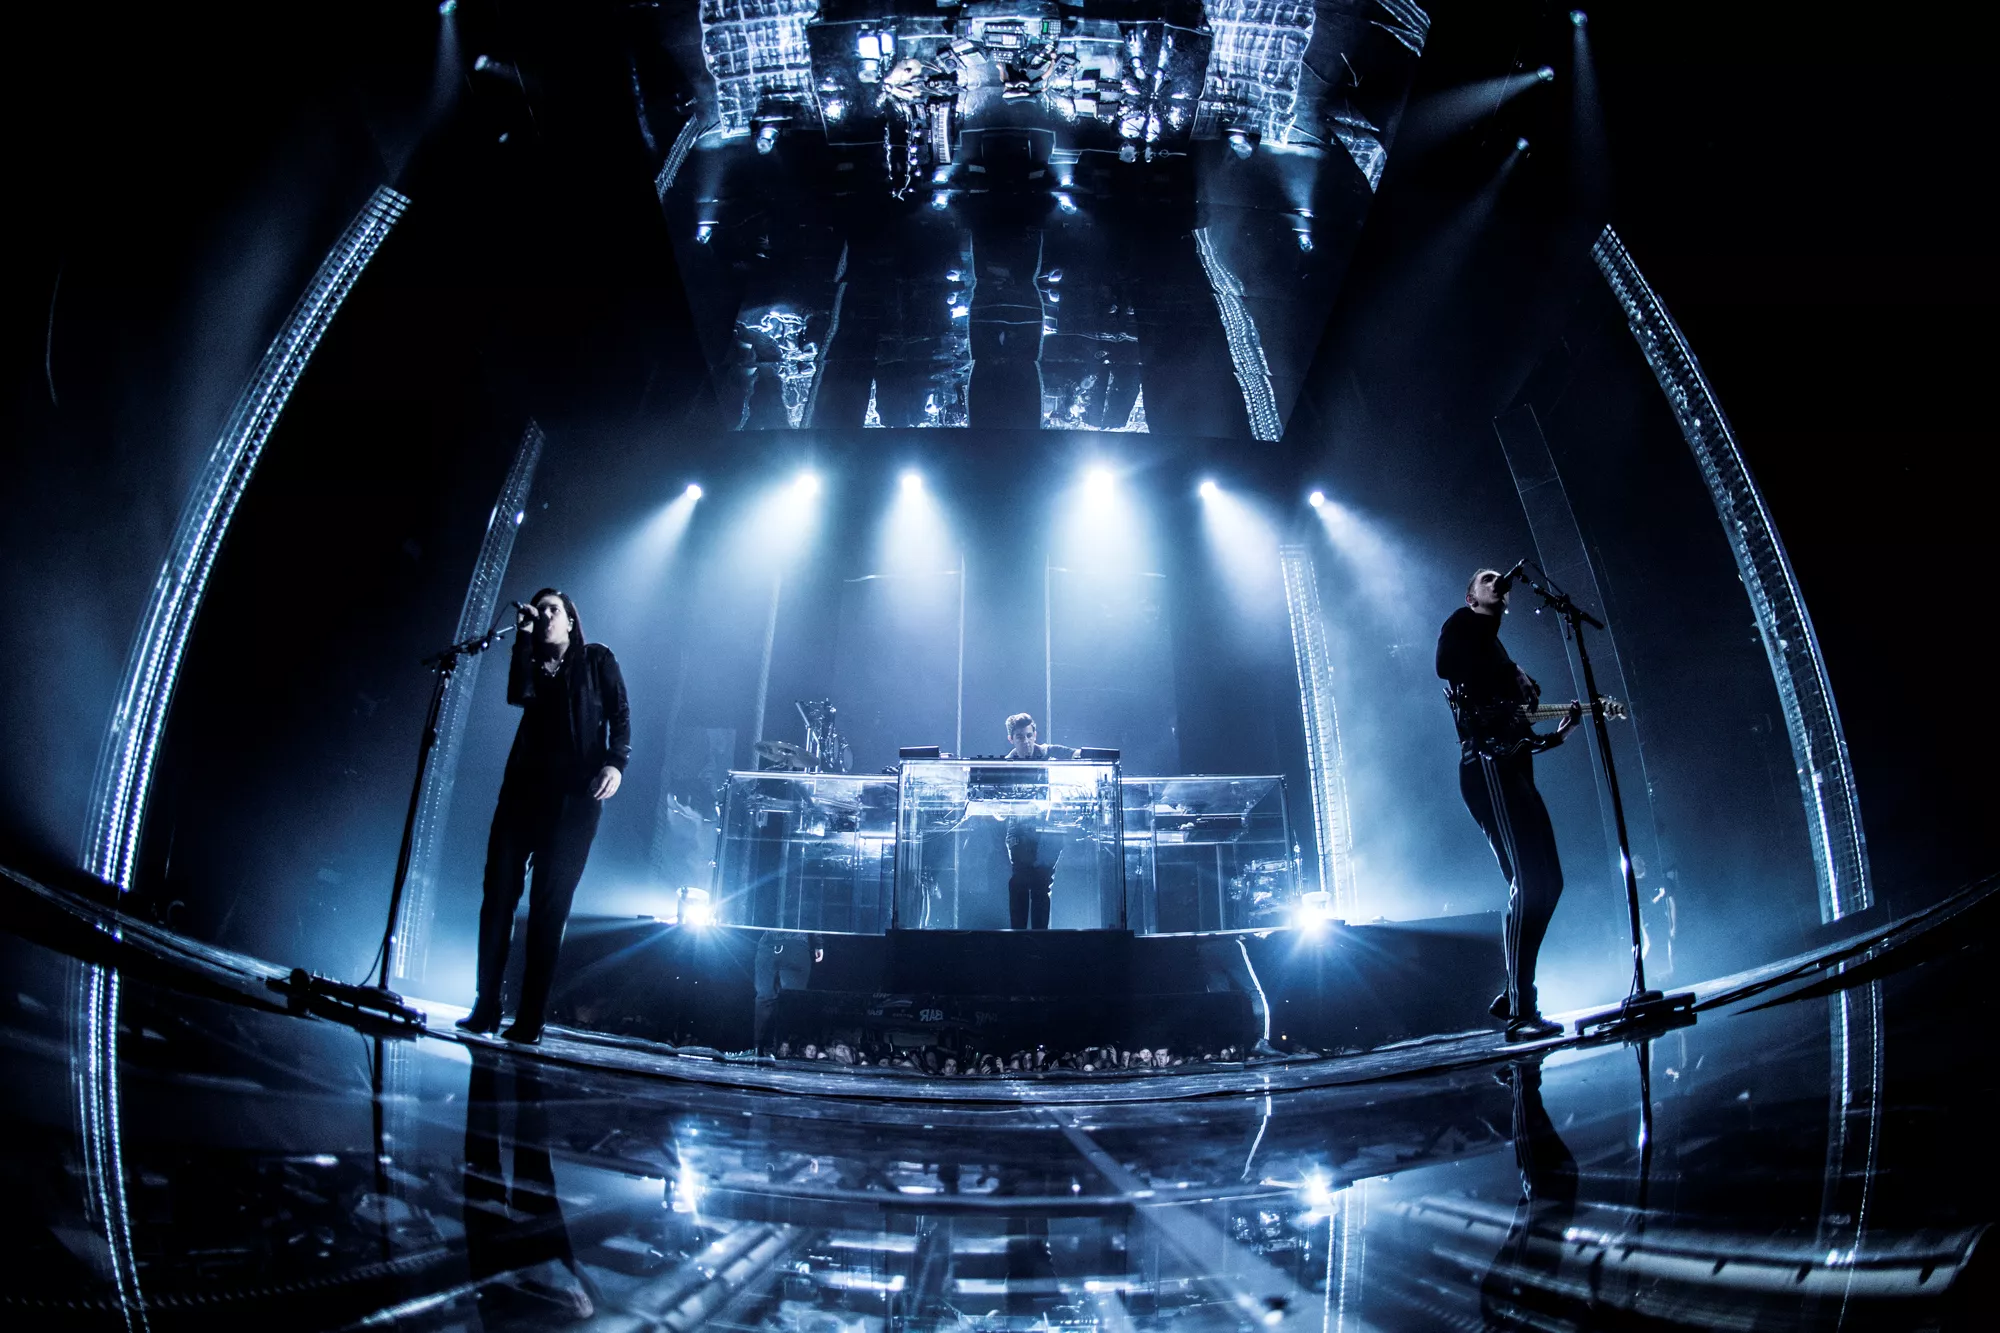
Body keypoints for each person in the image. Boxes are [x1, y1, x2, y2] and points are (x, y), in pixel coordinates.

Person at [458, 588, 630, 1044]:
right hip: (522, 796)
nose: (547, 615)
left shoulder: (596, 660)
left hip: (573, 803)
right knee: (497, 899)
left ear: (571, 620)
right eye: (542, 610)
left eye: (555, 609)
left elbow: (620, 714)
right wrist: (523, 638)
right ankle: (486, 1005)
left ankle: (531, 1017)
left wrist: (615, 762)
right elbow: (518, 695)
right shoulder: (531, 664)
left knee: (548, 909)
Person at [1437, 568, 1580, 1042]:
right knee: (1527, 880)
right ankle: (1521, 1009)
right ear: (1472, 597)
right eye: (1486, 579)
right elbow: (1446, 665)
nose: (1497, 581)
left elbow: (1515, 728)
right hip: (1486, 768)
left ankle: (1513, 992)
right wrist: (1511, 671)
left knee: (1550, 882)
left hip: (1513, 767)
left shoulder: (1496, 649)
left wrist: (1556, 736)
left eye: (1499, 579)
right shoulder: (1461, 624)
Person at [1001, 712, 1074, 930]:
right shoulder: (1006, 765)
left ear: (1035, 734)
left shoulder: (1049, 752)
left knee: (1042, 883)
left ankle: (1039, 939)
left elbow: (1077, 754)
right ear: (1011, 739)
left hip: (1049, 828)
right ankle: (1019, 938)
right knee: (1020, 881)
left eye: (1029, 735)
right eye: (1020, 737)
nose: (1026, 741)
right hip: (1020, 829)